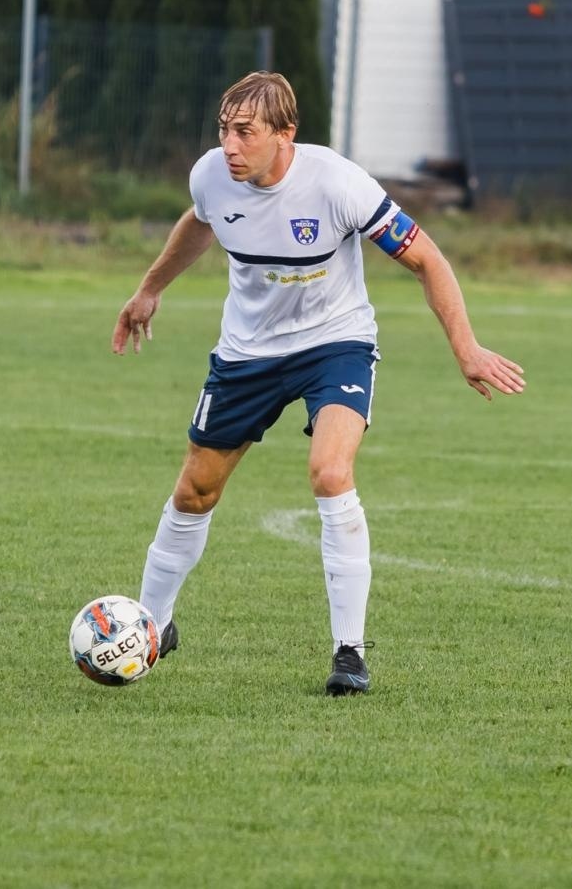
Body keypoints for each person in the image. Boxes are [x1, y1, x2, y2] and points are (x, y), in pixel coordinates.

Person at [111, 71, 525, 694]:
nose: (229, 145)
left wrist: (465, 348)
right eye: (224, 129)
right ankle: (152, 627)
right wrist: (149, 289)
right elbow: (200, 221)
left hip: (335, 344)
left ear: (285, 134)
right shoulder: (212, 176)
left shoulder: (337, 183)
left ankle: (349, 653)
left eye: (245, 132)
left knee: (330, 472)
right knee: (195, 490)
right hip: (247, 352)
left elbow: (426, 258)